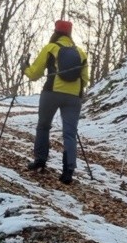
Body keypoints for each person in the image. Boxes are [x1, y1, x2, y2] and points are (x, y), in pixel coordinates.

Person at [23, 19, 89, 184]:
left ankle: (40, 161)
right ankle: (68, 171)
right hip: (73, 98)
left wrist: (24, 67)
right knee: (69, 133)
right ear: (69, 33)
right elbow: (85, 80)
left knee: (43, 126)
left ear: (56, 32)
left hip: (51, 93)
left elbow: (34, 74)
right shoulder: (81, 53)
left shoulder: (51, 48)